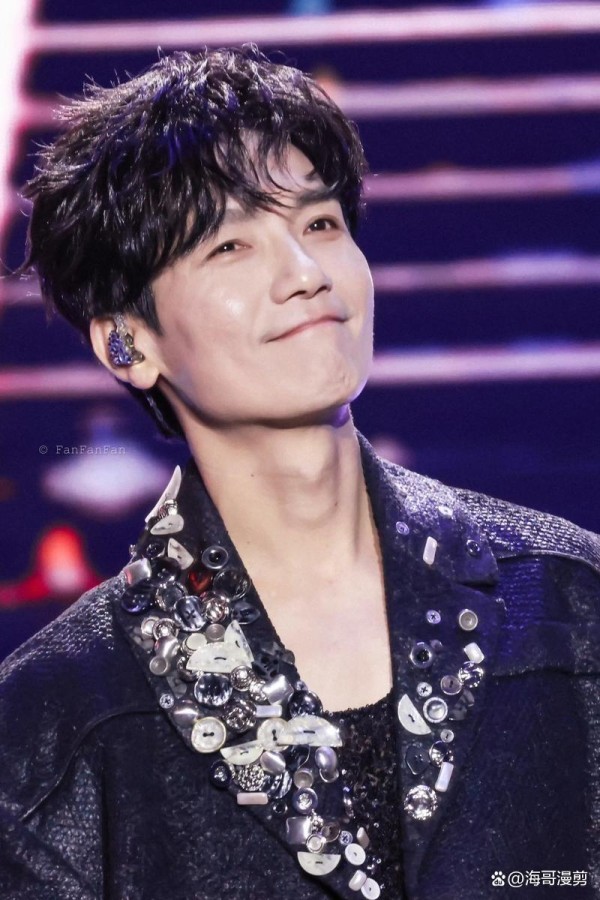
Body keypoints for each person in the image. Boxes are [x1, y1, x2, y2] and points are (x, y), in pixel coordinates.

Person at [1, 46, 599, 900]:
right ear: (127, 343)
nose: (307, 276)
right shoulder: (52, 723)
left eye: (319, 224)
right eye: (229, 245)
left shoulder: (572, 604)